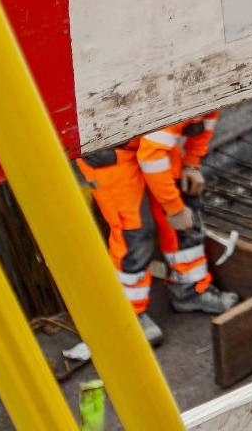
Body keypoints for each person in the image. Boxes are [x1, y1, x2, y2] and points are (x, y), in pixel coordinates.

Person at [75, 112, 236, 344]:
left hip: (148, 140)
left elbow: (202, 125)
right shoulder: (173, 101)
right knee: (134, 232)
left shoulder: (212, 91)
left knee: (185, 204)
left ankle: (190, 291)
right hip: (110, 151)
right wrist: (175, 209)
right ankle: (129, 315)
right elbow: (150, 157)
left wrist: (192, 163)